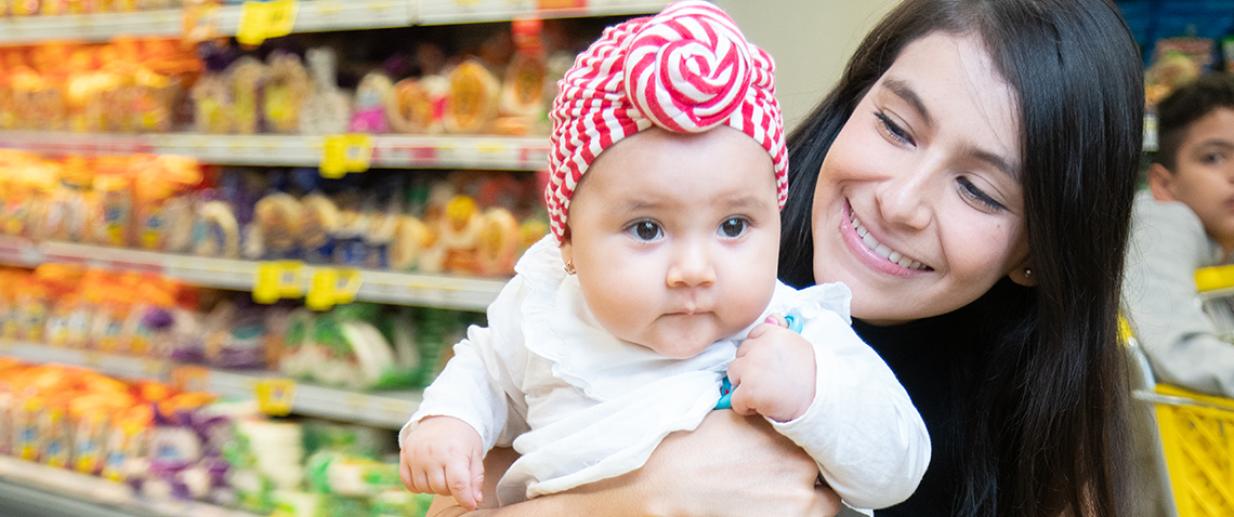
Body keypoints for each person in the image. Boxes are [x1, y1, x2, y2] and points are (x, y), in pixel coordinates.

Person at [422, 0, 1145, 516]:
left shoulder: (808, 335)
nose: (901, 201)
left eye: (980, 190)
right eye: (895, 126)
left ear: (1040, 253)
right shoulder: (595, 301)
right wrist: (649, 501)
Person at [398, 1, 929, 514]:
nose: (694, 270)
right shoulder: (547, 317)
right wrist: (451, 421)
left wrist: (816, 395)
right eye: (647, 229)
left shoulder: (792, 332)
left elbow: (900, 467)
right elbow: (483, 370)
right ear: (568, 246)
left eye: (733, 226)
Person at [1124, 73, 1234, 398]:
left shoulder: (1219, 237)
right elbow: (1176, 345)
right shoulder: (1163, 221)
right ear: (1163, 184)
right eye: (1214, 157)